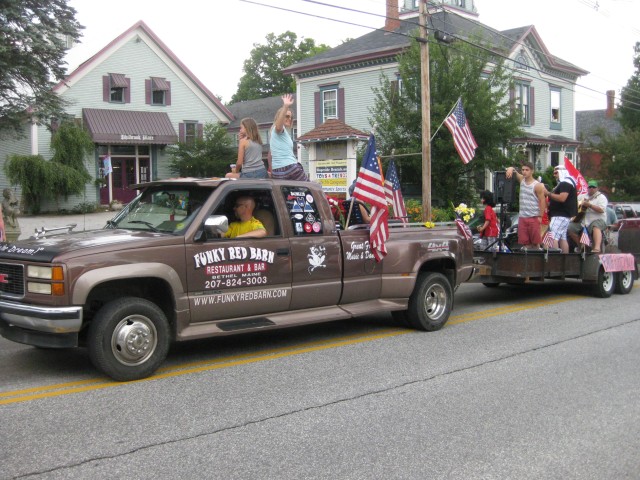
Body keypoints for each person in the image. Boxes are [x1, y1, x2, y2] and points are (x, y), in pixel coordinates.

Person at [506, 161, 546, 249]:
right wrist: (510, 168)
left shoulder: (537, 185)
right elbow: (514, 171)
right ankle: (527, 256)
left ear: (532, 171)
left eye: (527, 170)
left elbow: (542, 201)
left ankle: (537, 254)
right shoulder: (522, 180)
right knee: (525, 242)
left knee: (535, 242)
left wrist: (540, 216)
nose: (524, 172)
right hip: (522, 216)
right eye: (523, 170)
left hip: (533, 216)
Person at [269, 94, 308, 181]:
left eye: (291, 117)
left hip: (277, 171)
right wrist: (286, 106)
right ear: (280, 116)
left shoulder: (277, 133)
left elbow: (270, 154)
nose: (289, 119)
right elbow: (278, 127)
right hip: (290, 168)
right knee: (309, 188)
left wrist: (272, 170)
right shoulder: (278, 129)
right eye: (287, 116)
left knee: (287, 191)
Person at [544, 165, 577, 253]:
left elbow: (562, 198)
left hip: (560, 215)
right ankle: (564, 259)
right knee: (562, 238)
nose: (554, 175)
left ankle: (554, 257)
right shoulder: (566, 183)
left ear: (562, 172)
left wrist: (548, 193)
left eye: (556, 173)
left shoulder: (565, 183)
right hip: (563, 215)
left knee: (552, 237)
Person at [568, 179, 608, 253]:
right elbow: (575, 207)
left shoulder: (601, 197)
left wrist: (589, 205)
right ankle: (581, 246)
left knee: (596, 226)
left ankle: (597, 248)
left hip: (598, 219)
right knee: (570, 228)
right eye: (590, 187)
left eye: (593, 187)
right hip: (582, 220)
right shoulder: (581, 196)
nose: (591, 188)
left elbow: (601, 210)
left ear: (597, 188)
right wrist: (580, 206)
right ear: (587, 188)